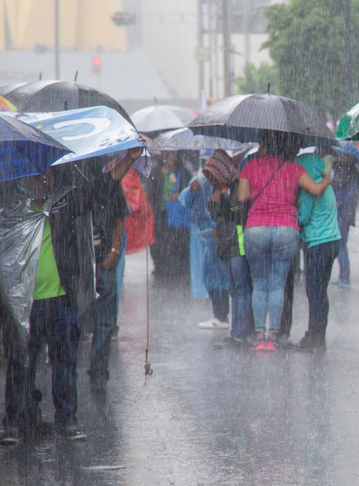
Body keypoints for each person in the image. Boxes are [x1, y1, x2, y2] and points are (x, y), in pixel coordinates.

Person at [2, 148, 141, 445]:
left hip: (61, 297)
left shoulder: (63, 205)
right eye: (37, 176)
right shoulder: (14, 210)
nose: (43, 181)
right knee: (21, 362)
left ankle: (67, 420)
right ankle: (15, 421)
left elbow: (102, 188)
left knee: (64, 361)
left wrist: (128, 159)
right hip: (24, 302)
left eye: (47, 175)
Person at [237, 132, 331, 350]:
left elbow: (242, 197)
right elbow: (315, 190)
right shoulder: (293, 168)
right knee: (278, 284)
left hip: (256, 228)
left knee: (260, 284)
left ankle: (260, 336)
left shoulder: (250, 166)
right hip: (286, 229)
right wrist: (327, 177)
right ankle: (275, 336)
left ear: (263, 146)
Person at [87, 153, 136, 392]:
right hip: (80, 264)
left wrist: (114, 250)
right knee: (76, 320)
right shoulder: (75, 185)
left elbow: (120, 217)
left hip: (104, 259)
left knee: (104, 320)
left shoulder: (110, 186)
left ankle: (98, 369)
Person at [204, 150, 253, 345]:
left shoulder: (237, 186)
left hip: (237, 245)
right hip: (224, 246)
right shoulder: (217, 191)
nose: (212, 181)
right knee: (233, 290)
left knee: (241, 290)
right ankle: (235, 332)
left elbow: (238, 211)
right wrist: (216, 201)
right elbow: (217, 216)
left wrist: (223, 198)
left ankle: (241, 333)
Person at [295, 151, 340, 349]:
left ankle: (314, 335)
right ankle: (318, 334)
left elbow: (303, 218)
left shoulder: (309, 189)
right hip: (332, 242)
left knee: (313, 292)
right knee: (321, 290)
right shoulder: (326, 184)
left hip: (317, 244)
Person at [180, 166, 230, 330]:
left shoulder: (223, 180)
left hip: (214, 231)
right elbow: (186, 200)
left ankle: (221, 316)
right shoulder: (201, 179)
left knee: (214, 273)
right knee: (212, 272)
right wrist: (192, 189)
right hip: (205, 231)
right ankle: (221, 315)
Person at [147, 150, 191, 279]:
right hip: (161, 212)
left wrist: (180, 194)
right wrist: (160, 175)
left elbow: (188, 189)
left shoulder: (184, 172)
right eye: (167, 154)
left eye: (172, 154)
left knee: (178, 240)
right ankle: (161, 267)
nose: (170, 158)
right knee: (160, 241)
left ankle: (179, 268)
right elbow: (151, 191)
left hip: (178, 214)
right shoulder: (157, 171)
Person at [331, 151, 359, 288]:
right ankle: (344, 275)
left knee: (340, 245)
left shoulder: (344, 173)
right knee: (341, 245)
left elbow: (336, 189)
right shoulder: (354, 174)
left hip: (342, 214)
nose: (341, 157)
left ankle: (344, 276)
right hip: (347, 214)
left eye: (344, 155)